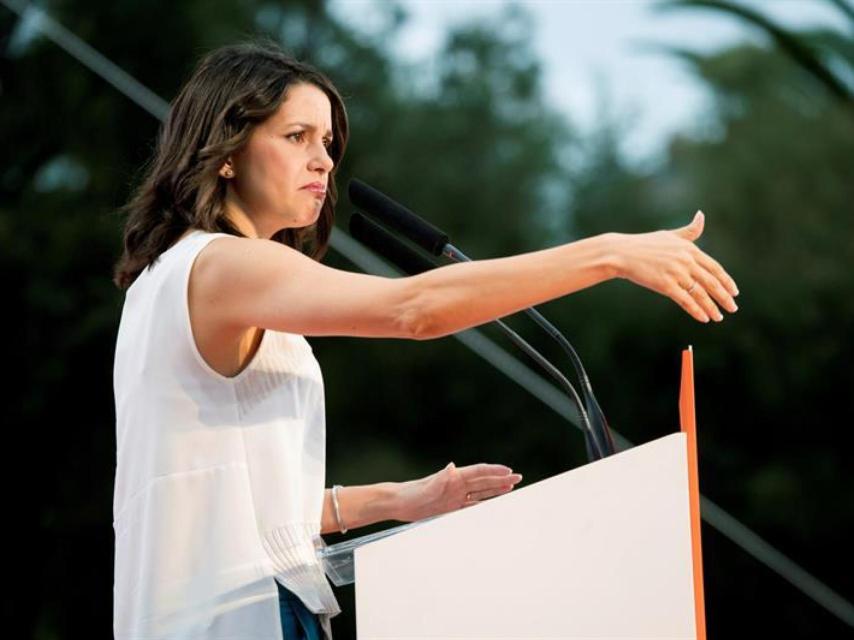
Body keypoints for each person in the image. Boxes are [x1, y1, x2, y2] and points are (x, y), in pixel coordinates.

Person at [111, 41, 738, 640]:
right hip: (228, 619)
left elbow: (244, 499)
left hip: (229, 605)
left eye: (327, 141)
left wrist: (405, 498)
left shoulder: (173, 277)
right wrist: (609, 254)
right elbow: (415, 308)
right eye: (296, 136)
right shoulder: (221, 265)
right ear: (225, 149)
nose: (324, 160)